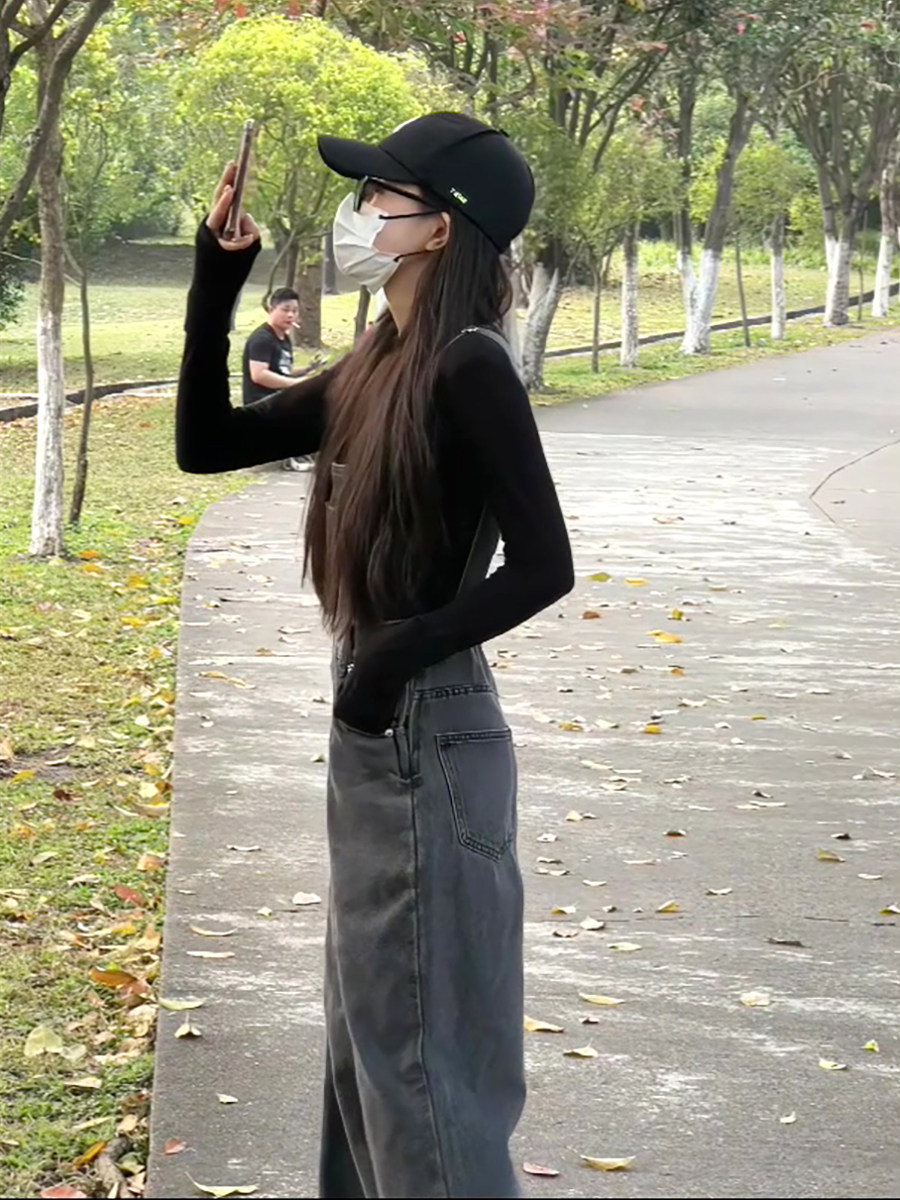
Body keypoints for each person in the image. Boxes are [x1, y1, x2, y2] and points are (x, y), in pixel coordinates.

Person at [176, 111, 574, 1199]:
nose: (361, 213)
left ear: (440, 228)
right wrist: (219, 279)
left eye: (379, 195)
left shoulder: (468, 364)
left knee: (417, 1069)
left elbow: (545, 564)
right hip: (385, 726)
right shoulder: (380, 361)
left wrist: (394, 658)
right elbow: (207, 445)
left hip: (423, 727)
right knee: (367, 1052)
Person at [242, 286, 326, 470]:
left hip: (280, 395)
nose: (290, 315)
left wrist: (308, 371)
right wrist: (295, 384)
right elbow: (259, 375)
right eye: (285, 310)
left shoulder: (284, 339)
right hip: (262, 401)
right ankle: (292, 457)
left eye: (294, 311)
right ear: (271, 309)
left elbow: (282, 370)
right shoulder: (262, 339)